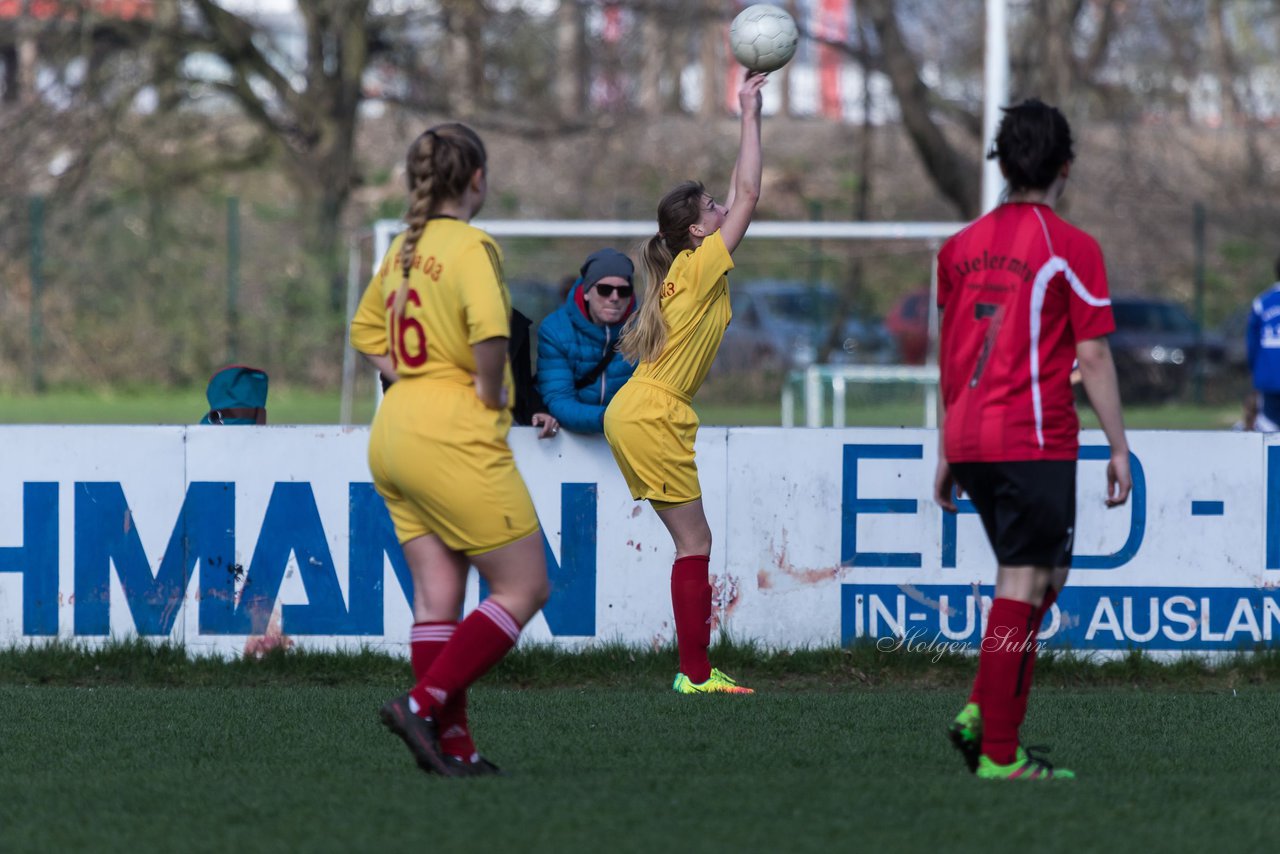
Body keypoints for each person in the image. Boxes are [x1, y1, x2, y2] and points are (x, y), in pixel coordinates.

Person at [932, 99, 1132, 781]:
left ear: (1001, 162)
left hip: (971, 436)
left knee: (1043, 575)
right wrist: (1119, 446)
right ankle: (999, 755)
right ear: (1065, 168)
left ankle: (981, 712)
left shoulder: (957, 249)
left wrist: (945, 449)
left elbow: (950, 354)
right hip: (1031, 437)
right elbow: (1096, 357)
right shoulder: (1069, 248)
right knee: (1025, 580)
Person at [349, 122, 550, 777]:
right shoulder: (470, 246)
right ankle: (421, 703)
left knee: (438, 598)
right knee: (524, 586)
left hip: (395, 430)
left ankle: (452, 747)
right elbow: (491, 333)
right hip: (452, 432)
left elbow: (362, 331)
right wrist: (489, 394)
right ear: (477, 180)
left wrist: (409, 378)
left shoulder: (406, 249)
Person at [602, 71, 768, 695]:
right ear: (698, 231)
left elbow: (736, 189)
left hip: (644, 408)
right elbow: (749, 191)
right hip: (653, 412)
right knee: (693, 541)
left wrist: (748, 110)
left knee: (692, 541)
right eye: (712, 212)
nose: (723, 212)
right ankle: (694, 675)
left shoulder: (690, 264)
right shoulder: (698, 267)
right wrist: (749, 115)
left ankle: (695, 671)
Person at [537, 248, 638, 433]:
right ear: (586, 291)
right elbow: (559, 400)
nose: (614, 297)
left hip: (631, 438)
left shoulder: (647, 330)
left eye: (624, 290)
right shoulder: (555, 330)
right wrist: (611, 419)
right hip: (572, 443)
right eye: (605, 289)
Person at [1246, 262, 1280, 431]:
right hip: (1270, 378)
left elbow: (1252, 344)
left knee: (1269, 429)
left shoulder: (1262, 302)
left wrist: (1255, 371)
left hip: (1270, 377)